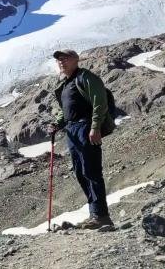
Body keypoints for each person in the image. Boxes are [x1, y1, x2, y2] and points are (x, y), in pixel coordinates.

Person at [47, 49, 116, 229]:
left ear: (76, 60)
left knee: (91, 170)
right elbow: (65, 111)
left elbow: (99, 101)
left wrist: (95, 127)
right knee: (80, 172)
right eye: (59, 60)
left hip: (86, 127)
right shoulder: (65, 84)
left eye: (65, 58)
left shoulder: (86, 77)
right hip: (72, 130)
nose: (61, 62)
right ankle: (95, 214)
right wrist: (57, 124)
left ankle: (101, 216)